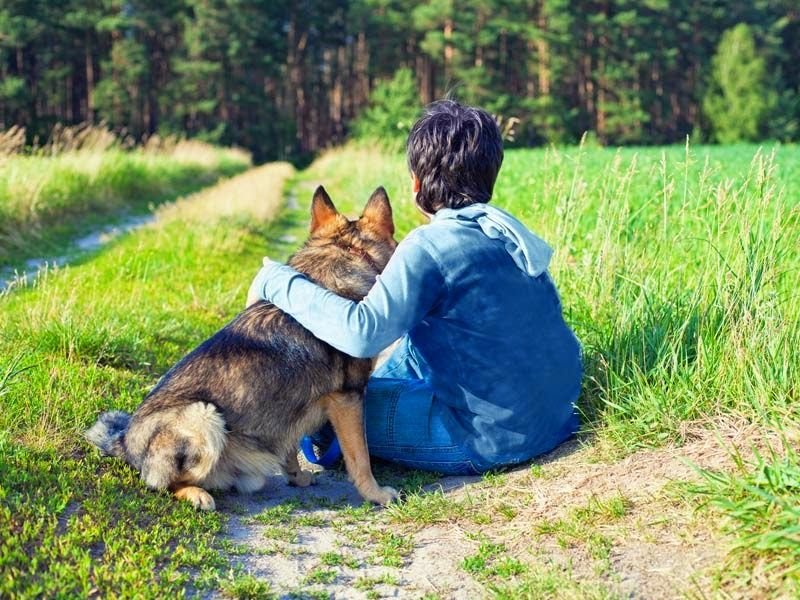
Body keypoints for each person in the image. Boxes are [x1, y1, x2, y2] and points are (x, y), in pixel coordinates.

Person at [248, 100, 582, 475]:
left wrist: (281, 281)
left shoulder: (428, 246)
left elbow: (361, 334)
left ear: (417, 183)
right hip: (556, 416)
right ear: (491, 174)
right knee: (415, 336)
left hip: (483, 439)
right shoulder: (509, 232)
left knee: (325, 419)